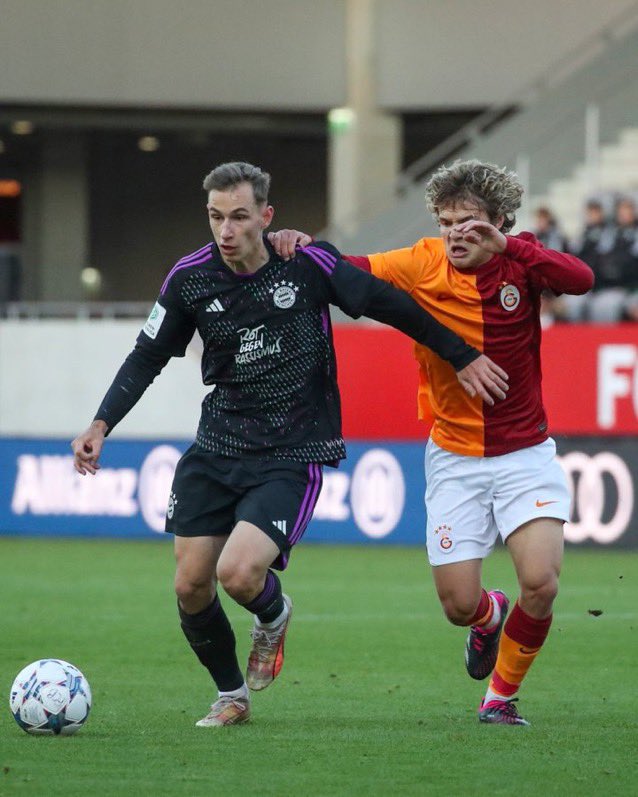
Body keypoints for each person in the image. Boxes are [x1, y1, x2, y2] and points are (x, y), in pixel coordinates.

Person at [71, 161, 508, 728]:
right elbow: (148, 355)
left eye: (239, 217)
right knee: (189, 583)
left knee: (239, 574)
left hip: (292, 450)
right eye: (216, 218)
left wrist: (462, 353)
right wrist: (101, 424)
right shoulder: (191, 279)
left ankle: (272, 617)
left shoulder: (304, 264)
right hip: (217, 445)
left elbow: (391, 305)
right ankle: (232, 696)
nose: (226, 231)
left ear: (267, 216)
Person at [270, 159, 594, 726]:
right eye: (446, 221)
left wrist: (513, 247)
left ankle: (500, 698)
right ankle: (488, 619)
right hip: (454, 457)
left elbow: (582, 280)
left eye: (468, 221)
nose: (454, 233)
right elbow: (346, 271)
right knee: (458, 606)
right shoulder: (421, 261)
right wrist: (305, 245)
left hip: (525, 454)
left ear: (497, 222)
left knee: (540, 583)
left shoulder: (522, 263)